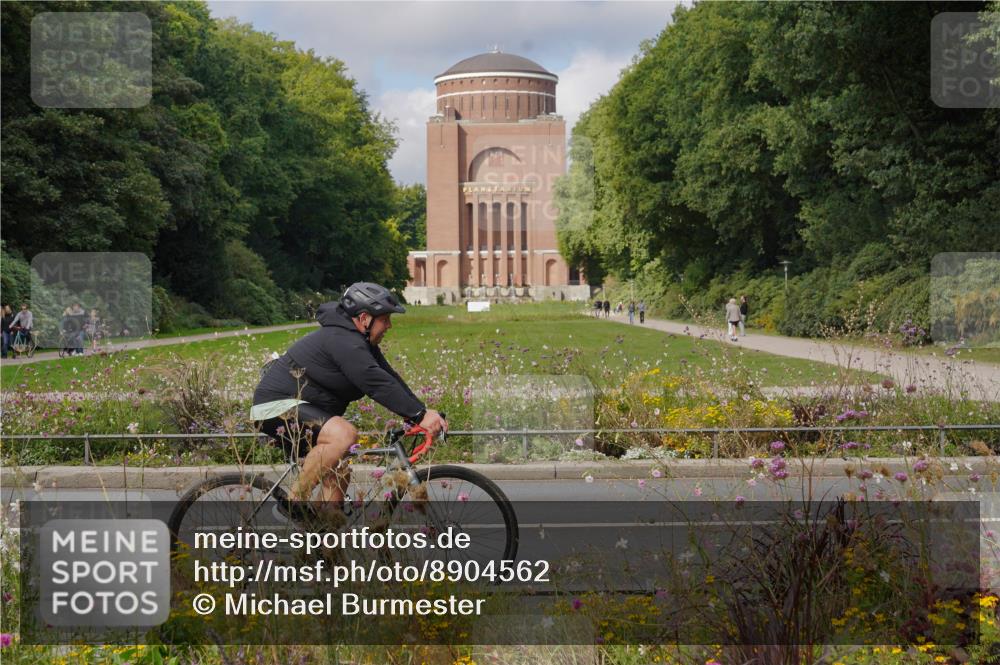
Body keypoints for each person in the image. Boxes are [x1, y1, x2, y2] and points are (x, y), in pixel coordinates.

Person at [252, 282, 447, 512]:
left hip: (310, 412)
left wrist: (421, 413)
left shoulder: (360, 342)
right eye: (385, 319)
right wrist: (419, 415)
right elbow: (372, 381)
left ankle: (317, 539)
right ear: (365, 318)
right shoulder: (342, 339)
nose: (389, 326)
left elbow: (388, 378)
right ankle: (295, 502)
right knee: (345, 435)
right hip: (275, 405)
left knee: (338, 478)